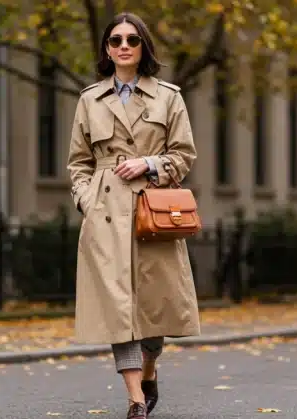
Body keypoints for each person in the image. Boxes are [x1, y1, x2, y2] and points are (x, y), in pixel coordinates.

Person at [66, 11, 201, 419]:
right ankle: (136, 401)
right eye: (115, 41)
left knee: (154, 309)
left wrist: (149, 164)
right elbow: (78, 163)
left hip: (152, 214)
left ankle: (149, 369)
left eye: (131, 40)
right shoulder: (90, 99)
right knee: (116, 309)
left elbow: (184, 156)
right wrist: (87, 201)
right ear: (107, 49)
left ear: (143, 47)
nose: (123, 46)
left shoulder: (168, 96)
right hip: (105, 216)